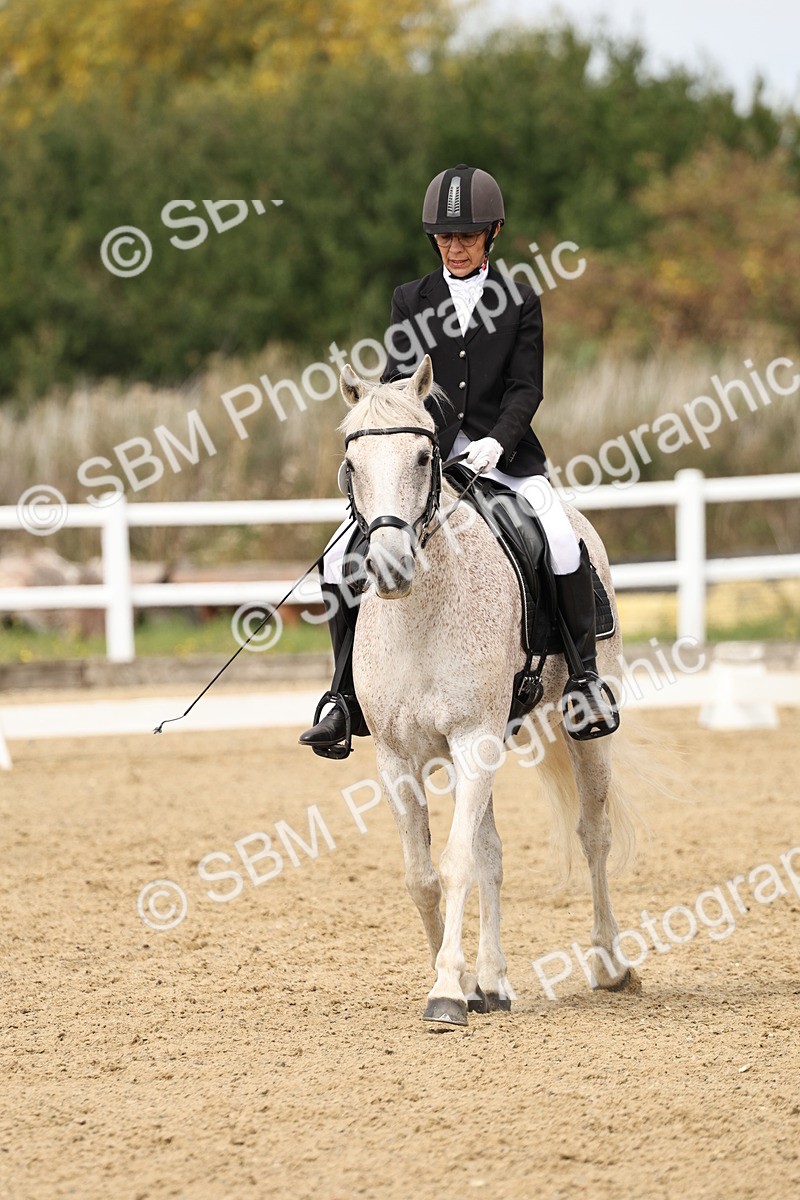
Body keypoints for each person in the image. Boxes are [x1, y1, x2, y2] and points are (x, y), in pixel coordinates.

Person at [299, 163, 618, 753]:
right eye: (446, 237)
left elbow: (527, 389)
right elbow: (399, 382)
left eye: (468, 236)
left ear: (493, 232)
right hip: (428, 459)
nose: (456, 246)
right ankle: (343, 697)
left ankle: (583, 677)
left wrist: (496, 443)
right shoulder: (408, 299)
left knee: (561, 536)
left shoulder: (519, 300)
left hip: (507, 455)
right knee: (342, 552)